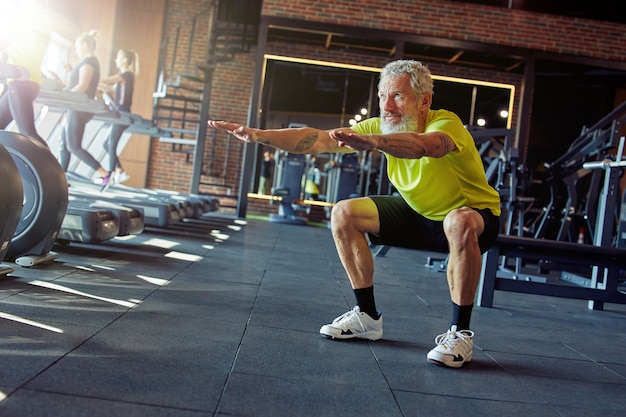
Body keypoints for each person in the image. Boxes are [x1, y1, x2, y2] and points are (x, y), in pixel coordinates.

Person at [208, 59, 500, 369]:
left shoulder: (445, 123)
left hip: (475, 218)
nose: (387, 105)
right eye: (383, 95)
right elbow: (319, 139)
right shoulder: (379, 124)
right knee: (344, 212)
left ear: (424, 100)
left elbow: (426, 146)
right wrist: (257, 135)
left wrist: (375, 142)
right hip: (419, 214)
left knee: (459, 220)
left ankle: (460, 335)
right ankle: (367, 317)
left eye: (398, 96)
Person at [58, 30, 110, 184]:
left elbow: (83, 86)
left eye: (77, 46)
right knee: (64, 144)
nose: (76, 50)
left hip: (79, 108)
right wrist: (71, 71)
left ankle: (104, 174)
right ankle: (61, 177)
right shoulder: (87, 62)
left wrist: (64, 95)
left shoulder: (89, 62)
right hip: (75, 107)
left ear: (85, 44)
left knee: (73, 146)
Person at [0, 0, 51, 147]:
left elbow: (5, 39)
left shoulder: (27, 17)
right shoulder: (44, 20)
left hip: (20, 81)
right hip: (29, 81)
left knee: (28, 132)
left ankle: (54, 168)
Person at [99, 48, 139, 189]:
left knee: (111, 144)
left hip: (123, 114)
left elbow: (108, 80)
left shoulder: (126, 74)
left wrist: (92, 76)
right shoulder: (123, 76)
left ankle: (109, 175)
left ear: (125, 60)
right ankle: (119, 170)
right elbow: (106, 86)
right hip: (118, 113)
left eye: (118, 57)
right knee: (107, 144)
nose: (116, 60)